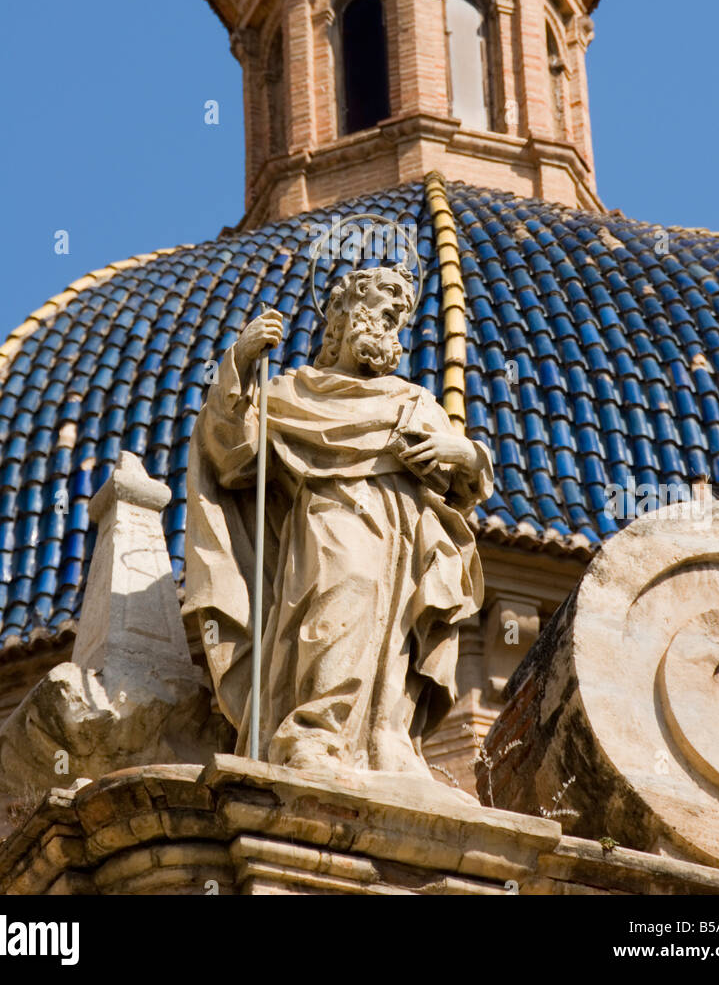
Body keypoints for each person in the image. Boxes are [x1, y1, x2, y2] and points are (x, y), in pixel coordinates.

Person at [184, 264, 491, 778]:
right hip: (331, 524)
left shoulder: (414, 401)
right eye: (384, 301)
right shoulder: (291, 394)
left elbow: (466, 482)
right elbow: (233, 456)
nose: (394, 313)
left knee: (396, 635)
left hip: (408, 540)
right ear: (344, 311)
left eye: (402, 310)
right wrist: (239, 360)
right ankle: (314, 733)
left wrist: (462, 451)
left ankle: (385, 737)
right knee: (336, 608)